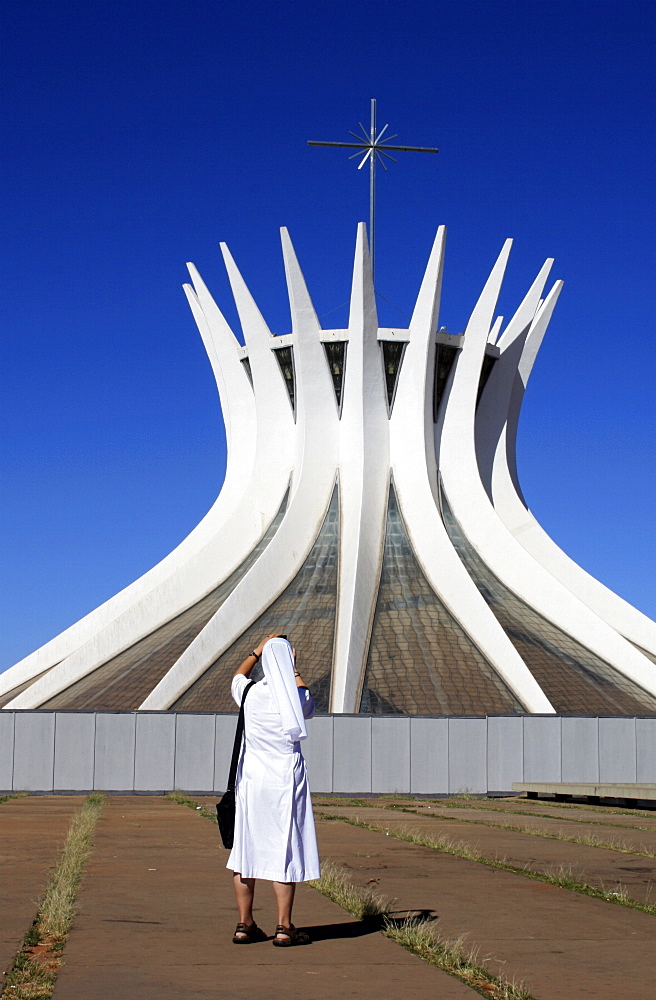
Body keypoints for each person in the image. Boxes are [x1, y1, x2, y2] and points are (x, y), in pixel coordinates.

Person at [227, 633, 320, 946]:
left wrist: (258, 649)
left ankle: (244, 923)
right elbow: (307, 697)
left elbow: (238, 676)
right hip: (285, 781)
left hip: (252, 780)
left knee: (246, 851)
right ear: (290, 660)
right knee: (284, 849)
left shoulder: (250, 693)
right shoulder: (297, 699)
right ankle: (284, 926)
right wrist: (292, 668)